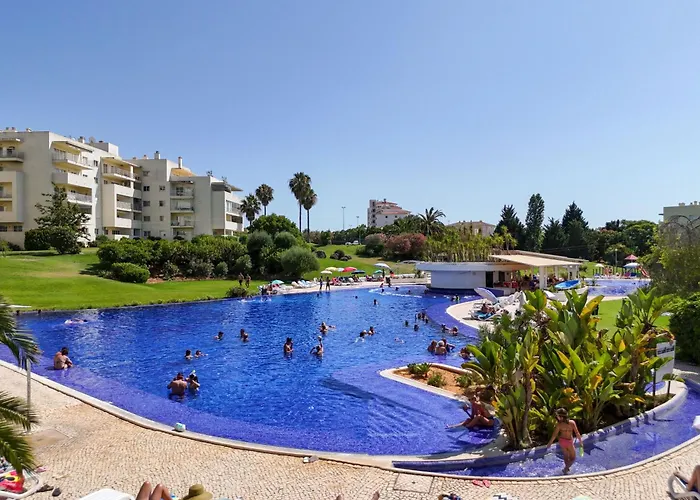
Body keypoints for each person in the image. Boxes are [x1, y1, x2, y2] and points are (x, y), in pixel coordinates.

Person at [546, 408, 582, 474]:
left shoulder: (559, 425)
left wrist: (550, 443)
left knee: (566, 455)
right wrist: (580, 441)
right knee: (573, 457)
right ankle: (566, 469)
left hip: (562, 441)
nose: (557, 418)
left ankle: (566, 469)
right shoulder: (572, 423)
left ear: (561, 417)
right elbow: (577, 433)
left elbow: (554, 435)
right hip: (569, 441)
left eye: (558, 416)